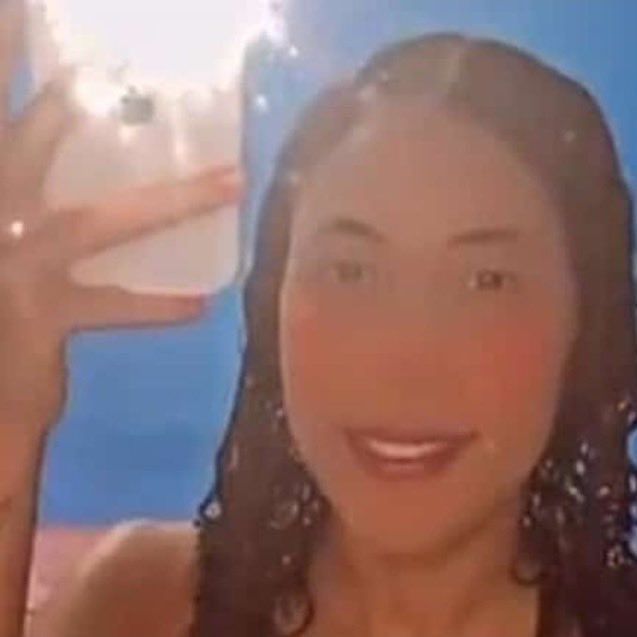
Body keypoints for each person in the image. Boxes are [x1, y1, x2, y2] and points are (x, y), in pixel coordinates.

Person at [1, 4, 636, 636]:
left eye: (484, 282)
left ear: (585, 322)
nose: (405, 362)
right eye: (351, 272)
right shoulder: (140, 606)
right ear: (274, 300)